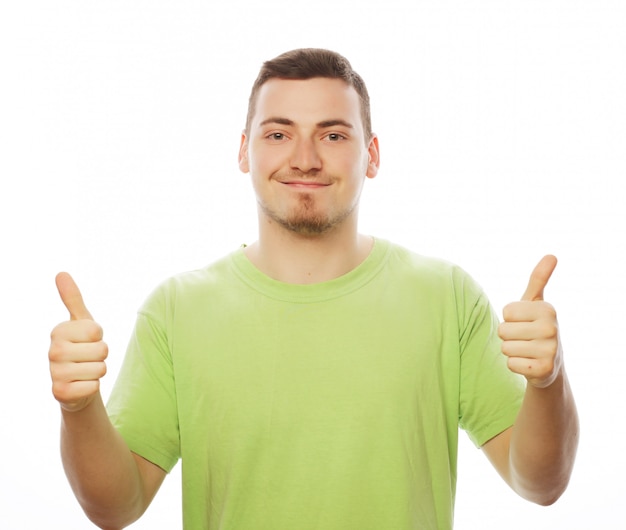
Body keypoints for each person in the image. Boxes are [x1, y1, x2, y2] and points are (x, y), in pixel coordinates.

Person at [49, 48, 579, 530]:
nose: (304, 158)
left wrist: (549, 380)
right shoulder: (175, 310)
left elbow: (540, 484)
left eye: (333, 134)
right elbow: (116, 508)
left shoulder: (448, 297)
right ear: (244, 152)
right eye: (278, 134)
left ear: (371, 155)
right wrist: (79, 409)